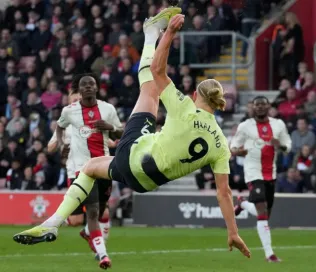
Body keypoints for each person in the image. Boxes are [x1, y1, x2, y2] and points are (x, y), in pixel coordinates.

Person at [13, 8, 251, 262]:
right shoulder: (221, 144)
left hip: (134, 158)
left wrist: (167, 34)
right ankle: (54, 224)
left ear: (196, 96)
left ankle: (150, 34)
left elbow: (158, 70)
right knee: (93, 166)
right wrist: (233, 231)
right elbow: (224, 193)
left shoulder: (185, 108)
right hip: (145, 183)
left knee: (150, 90)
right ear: (218, 104)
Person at [44, 73, 123, 268]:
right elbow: (53, 141)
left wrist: (110, 130)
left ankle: (91, 236)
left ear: (96, 88)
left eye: (91, 85)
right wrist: (62, 145)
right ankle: (102, 252)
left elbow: (118, 133)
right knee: (88, 215)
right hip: (79, 171)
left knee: (98, 212)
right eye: (81, 88)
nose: (84, 92)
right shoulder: (69, 114)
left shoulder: (107, 109)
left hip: (103, 168)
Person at [231, 96, 291, 262]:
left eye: (263, 104)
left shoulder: (278, 125)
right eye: (257, 105)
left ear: (268, 106)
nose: (260, 108)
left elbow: (288, 145)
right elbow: (234, 146)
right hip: (252, 172)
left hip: (270, 173)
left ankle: (242, 203)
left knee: (265, 213)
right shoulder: (245, 126)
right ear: (253, 107)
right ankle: (269, 254)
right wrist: (237, 151)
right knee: (262, 211)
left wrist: (280, 145)